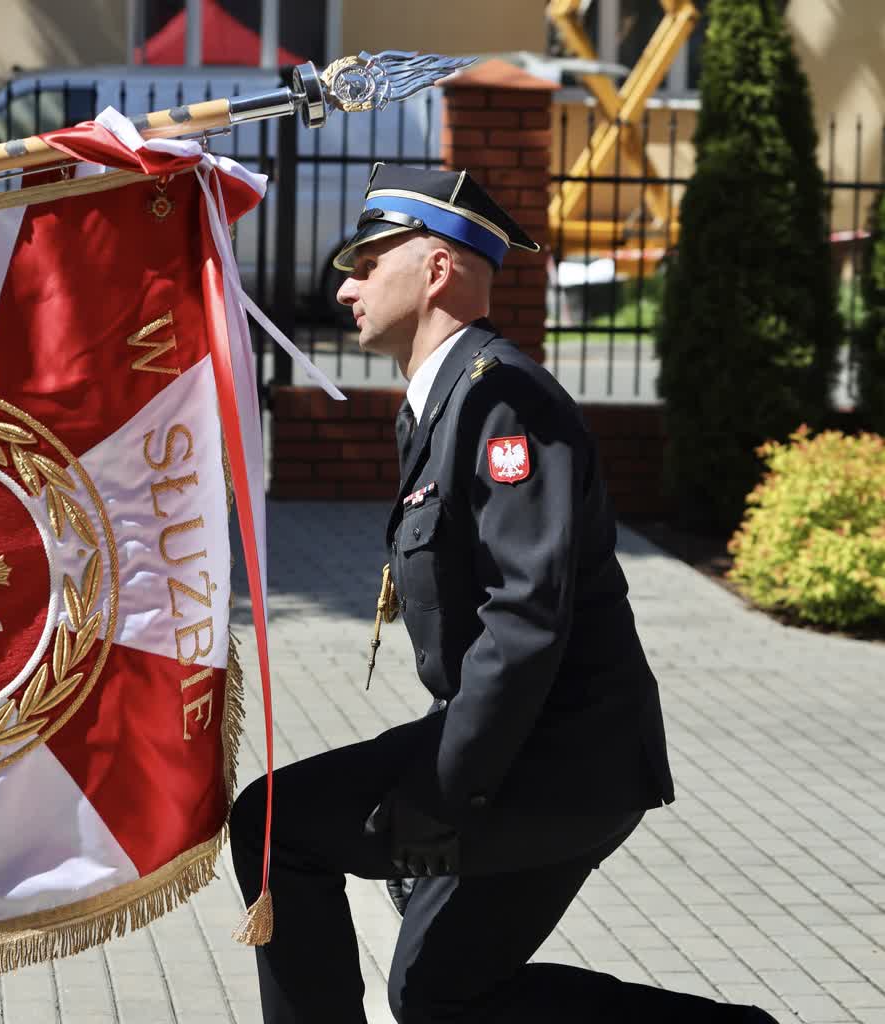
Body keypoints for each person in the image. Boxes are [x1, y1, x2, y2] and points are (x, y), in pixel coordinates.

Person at [229, 164, 780, 1024]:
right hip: (525, 749)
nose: (344, 288)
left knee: (279, 827)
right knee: (439, 994)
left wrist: (439, 798)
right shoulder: (440, 403)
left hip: (565, 763)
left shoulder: (503, 402)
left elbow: (525, 619)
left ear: (437, 268)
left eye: (366, 263)